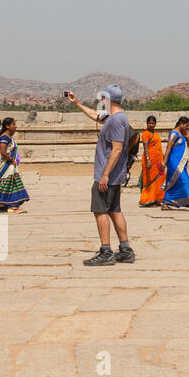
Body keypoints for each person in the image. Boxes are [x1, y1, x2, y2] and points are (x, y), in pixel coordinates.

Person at [66, 87, 135, 264]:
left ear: (108, 98)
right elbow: (96, 115)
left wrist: (105, 175)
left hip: (107, 175)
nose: (101, 100)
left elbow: (117, 148)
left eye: (103, 97)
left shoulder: (117, 120)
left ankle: (106, 251)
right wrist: (77, 104)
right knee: (114, 210)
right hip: (113, 175)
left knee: (100, 211)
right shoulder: (113, 117)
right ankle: (125, 250)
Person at [162, 116, 189, 209]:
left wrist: (187, 138)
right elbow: (168, 148)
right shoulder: (174, 133)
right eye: (186, 125)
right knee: (183, 180)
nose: (187, 128)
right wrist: (164, 162)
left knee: (175, 183)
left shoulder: (182, 135)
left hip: (182, 163)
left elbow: (186, 147)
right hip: (175, 163)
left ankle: (166, 203)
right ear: (181, 124)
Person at [138, 116, 166, 206]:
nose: (151, 125)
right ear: (147, 124)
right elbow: (145, 147)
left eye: (153, 123)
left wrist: (164, 159)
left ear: (155, 124)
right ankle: (147, 199)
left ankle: (157, 198)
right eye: (149, 123)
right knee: (149, 180)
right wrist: (148, 160)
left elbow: (159, 147)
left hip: (158, 161)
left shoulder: (156, 134)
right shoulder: (146, 134)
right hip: (150, 161)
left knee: (160, 179)